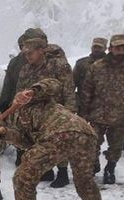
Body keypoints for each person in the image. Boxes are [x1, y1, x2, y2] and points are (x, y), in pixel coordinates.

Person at [0, 78, 105, 200]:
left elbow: (54, 84)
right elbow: (28, 143)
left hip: (60, 133)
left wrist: (33, 91)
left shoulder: (26, 102)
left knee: (22, 178)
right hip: (85, 134)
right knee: (84, 179)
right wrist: (3, 132)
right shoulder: (14, 122)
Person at [80, 34, 124, 184]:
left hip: (121, 115)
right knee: (92, 143)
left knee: (116, 145)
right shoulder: (98, 66)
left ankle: (110, 168)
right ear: (110, 48)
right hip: (98, 113)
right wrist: (85, 111)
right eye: (118, 47)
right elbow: (87, 89)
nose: (121, 50)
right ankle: (94, 165)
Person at [16, 37, 76, 188]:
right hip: (36, 115)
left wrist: (70, 111)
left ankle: (62, 173)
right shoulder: (25, 69)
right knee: (41, 141)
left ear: (41, 50)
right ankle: (47, 170)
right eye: (25, 54)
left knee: (60, 142)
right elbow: (21, 91)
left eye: (31, 53)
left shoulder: (58, 66)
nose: (28, 56)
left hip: (58, 112)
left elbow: (69, 89)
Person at [73, 37, 108, 110]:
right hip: (83, 105)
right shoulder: (81, 63)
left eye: (99, 47)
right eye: (95, 47)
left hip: (104, 108)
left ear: (105, 48)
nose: (96, 49)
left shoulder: (111, 64)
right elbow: (72, 84)